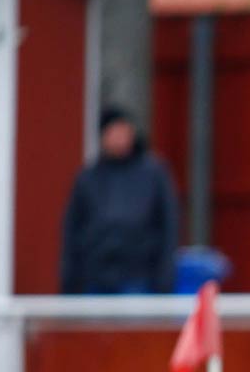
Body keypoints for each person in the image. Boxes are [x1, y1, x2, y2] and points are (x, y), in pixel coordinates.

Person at [60, 107, 180, 295]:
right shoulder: (88, 178)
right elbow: (72, 230)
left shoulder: (154, 174)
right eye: (114, 132)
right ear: (103, 136)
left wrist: (164, 277)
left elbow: (169, 225)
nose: (120, 138)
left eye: (124, 131)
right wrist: (70, 279)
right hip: (95, 277)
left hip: (140, 277)